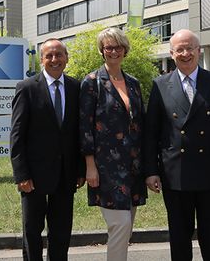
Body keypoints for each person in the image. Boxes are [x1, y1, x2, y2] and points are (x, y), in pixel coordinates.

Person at [144, 29, 210, 261]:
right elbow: (151, 132)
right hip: (174, 173)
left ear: (199, 50)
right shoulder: (160, 84)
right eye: (180, 49)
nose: (185, 53)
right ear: (172, 53)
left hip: (208, 172)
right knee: (179, 237)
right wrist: (151, 171)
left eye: (190, 48)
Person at [10, 38, 85, 261]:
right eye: (49, 56)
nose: (54, 59)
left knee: (61, 232)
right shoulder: (27, 88)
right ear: (41, 60)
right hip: (33, 176)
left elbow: (78, 133)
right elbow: (16, 135)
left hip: (65, 174)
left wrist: (80, 169)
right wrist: (21, 174)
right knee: (32, 231)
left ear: (66, 58)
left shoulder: (75, 87)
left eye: (59, 55)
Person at [79, 27, 147, 261]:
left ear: (125, 50)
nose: (113, 51)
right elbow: (85, 126)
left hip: (133, 165)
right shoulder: (91, 82)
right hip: (105, 166)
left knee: (126, 227)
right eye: (109, 47)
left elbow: (141, 123)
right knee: (120, 224)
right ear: (102, 51)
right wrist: (89, 166)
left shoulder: (133, 83)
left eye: (118, 46)